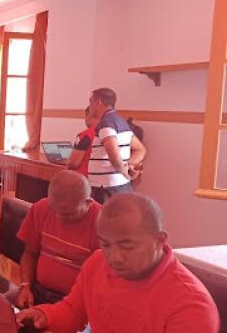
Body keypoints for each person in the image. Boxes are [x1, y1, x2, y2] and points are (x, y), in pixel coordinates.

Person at [17, 193, 219, 333]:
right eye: (106, 244)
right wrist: (44, 314)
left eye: (127, 246)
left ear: (160, 240)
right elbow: (74, 310)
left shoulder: (191, 306)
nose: (114, 257)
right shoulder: (97, 261)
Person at [16, 170, 101, 308]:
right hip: (38, 292)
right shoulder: (41, 208)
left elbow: (103, 279)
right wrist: (25, 286)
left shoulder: (101, 223)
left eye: (68, 214)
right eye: (53, 209)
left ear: (88, 203)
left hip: (77, 303)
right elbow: (30, 253)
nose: (59, 217)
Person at [86, 88, 146, 203]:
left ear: (97, 102)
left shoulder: (106, 123)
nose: (89, 106)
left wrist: (125, 172)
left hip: (105, 188)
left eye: (90, 101)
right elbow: (140, 150)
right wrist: (128, 166)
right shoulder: (120, 121)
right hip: (119, 186)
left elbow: (113, 156)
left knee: (104, 220)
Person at [66, 107, 98, 176]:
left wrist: (67, 161)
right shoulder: (107, 134)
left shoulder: (85, 135)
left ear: (89, 115)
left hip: (82, 179)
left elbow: (73, 163)